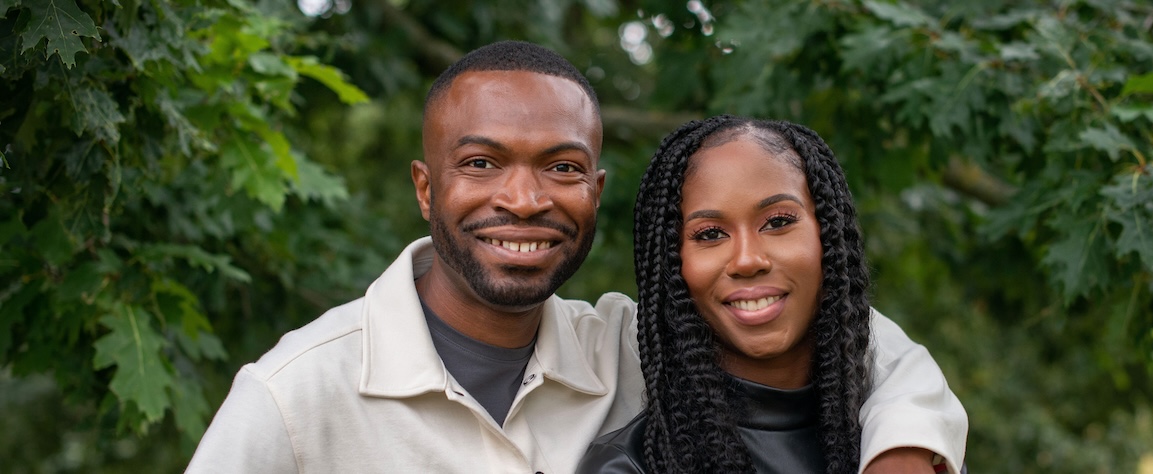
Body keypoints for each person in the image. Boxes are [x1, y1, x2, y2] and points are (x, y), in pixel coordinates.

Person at [187, 41, 965, 473]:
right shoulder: (296, 393)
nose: (525, 199)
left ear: (596, 190)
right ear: (426, 187)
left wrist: (902, 448)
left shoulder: (629, 346)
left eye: (560, 168)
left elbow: (850, 334)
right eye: (482, 163)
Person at [576, 115, 966, 473]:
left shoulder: (912, 443)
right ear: (672, 265)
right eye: (710, 234)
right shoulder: (629, 465)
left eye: (778, 222)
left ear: (829, 235)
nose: (748, 259)